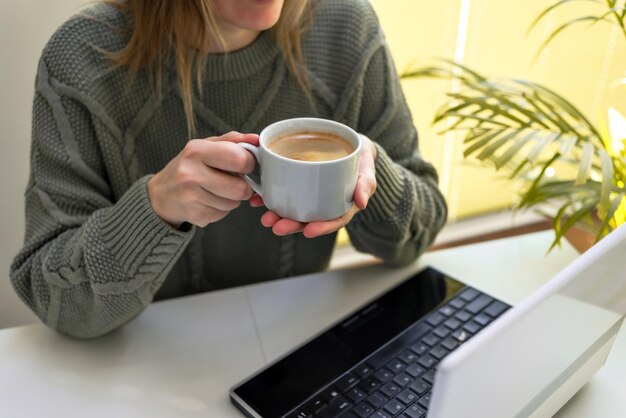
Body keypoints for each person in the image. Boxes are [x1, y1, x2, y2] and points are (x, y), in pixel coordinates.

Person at [10, 0, 447, 339]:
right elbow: (55, 301)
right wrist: (154, 209)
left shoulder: (344, 27)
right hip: (145, 367)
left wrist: (370, 174)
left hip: (300, 355)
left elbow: (419, 234)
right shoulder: (82, 58)